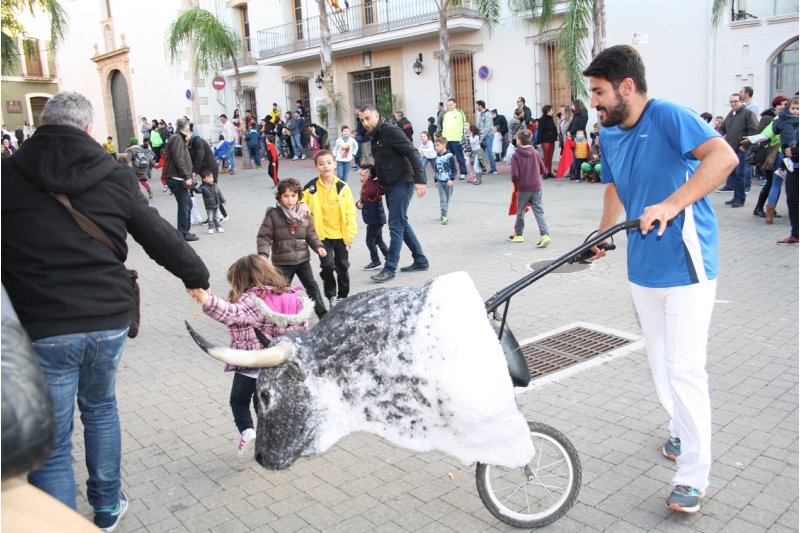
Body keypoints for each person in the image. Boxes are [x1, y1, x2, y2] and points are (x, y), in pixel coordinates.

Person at [1, 91, 210, 530]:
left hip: (43, 327)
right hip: (108, 320)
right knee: (100, 409)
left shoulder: (7, 175)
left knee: (53, 442)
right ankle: (108, 506)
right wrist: (196, 275)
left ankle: (58, 521)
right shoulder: (114, 175)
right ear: (90, 129)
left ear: (41, 124)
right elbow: (156, 233)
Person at [583, 44, 738, 514]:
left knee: (685, 367)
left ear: (627, 87)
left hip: (687, 265)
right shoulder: (609, 133)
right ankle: (680, 428)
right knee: (660, 362)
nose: (594, 102)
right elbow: (614, 184)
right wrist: (604, 232)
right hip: (642, 268)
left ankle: (693, 475)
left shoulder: (669, 115)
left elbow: (724, 157)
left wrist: (673, 203)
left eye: (599, 92)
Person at [192, 255, 311, 457]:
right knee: (263, 403)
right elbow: (303, 333)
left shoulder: (253, 300)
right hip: (278, 367)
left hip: (252, 362)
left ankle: (248, 432)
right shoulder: (294, 298)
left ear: (242, 278)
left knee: (238, 400)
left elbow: (231, 313)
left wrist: (206, 300)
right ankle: (275, 439)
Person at [358, 105, 429, 282]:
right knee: (402, 222)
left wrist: (420, 179)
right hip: (389, 185)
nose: (365, 122)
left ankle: (389, 268)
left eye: (368, 118)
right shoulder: (375, 135)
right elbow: (385, 161)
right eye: (362, 120)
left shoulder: (390, 131)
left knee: (395, 225)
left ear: (377, 115)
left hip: (403, 183)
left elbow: (411, 151)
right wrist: (371, 173)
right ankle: (420, 259)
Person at [257, 178, 328, 318]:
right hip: (282, 262)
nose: (290, 199)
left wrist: (318, 246)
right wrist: (263, 254)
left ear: (298, 196)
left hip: (302, 260)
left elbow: (311, 234)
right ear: (280, 197)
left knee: (312, 286)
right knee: (280, 290)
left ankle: (323, 315)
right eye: (286, 196)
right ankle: (278, 316)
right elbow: (263, 236)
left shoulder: (305, 213)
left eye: (293, 195)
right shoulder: (273, 214)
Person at [301, 150, 357, 307]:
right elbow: (299, 200)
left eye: (328, 163)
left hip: (340, 234)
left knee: (342, 266)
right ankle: (331, 295)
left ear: (335, 164)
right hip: (321, 236)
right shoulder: (311, 187)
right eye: (321, 163)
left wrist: (350, 235)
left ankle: (343, 297)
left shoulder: (342, 187)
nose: (325, 166)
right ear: (316, 167)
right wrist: (303, 204)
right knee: (327, 265)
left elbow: (350, 213)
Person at [508, 128, 550, 247]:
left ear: (519, 140)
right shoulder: (535, 152)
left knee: (520, 211)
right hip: (536, 185)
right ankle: (545, 234)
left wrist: (515, 182)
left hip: (523, 187)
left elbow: (515, 174)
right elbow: (542, 169)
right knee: (539, 210)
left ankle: (519, 234)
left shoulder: (516, 155)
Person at [718, 92, 758, 206]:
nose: (733, 103)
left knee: (740, 174)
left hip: (742, 149)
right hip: (731, 149)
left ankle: (740, 199)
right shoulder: (731, 114)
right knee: (734, 174)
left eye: (736, 101)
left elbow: (754, 129)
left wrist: (745, 145)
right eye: (731, 101)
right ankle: (735, 196)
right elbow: (723, 128)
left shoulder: (748, 113)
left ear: (741, 101)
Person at [165, 118, 199, 241]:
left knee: (187, 204)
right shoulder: (177, 139)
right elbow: (179, 159)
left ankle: (185, 231)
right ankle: (183, 233)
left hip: (178, 177)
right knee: (185, 205)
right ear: (185, 129)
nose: (190, 130)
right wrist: (186, 176)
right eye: (189, 128)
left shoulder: (179, 139)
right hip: (176, 178)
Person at [355, 164, 389, 271]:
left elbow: (371, 193)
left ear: (369, 175)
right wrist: (359, 203)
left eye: (362, 174)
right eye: (359, 174)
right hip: (374, 218)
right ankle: (390, 258)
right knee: (378, 240)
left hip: (375, 219)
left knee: (370, 241)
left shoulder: (372, 185)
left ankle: (375, 261)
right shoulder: (368, 184)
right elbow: (364, 200)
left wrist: (370, 178)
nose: (359, 177)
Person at [441, 98, 468, 179]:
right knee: (448, 158)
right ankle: (450, 173)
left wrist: (463, 137)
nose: (449, 106)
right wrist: (443, 138)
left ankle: (463, 173)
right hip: (447, 139)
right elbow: (444, 127)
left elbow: (465, 125)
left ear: (455, 104)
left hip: (457, 139)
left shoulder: (460, 113)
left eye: (451, 104)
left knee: (459, 157)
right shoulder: (446, 114)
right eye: (448, 105)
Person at [432, 137, 457, 224]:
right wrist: (435, 180)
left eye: (438, 145)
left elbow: (454, 169)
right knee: (443, 199)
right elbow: (436, 169)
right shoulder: (437, 156)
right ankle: (445, 216)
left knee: (447, 200)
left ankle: (443, 213)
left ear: (444, 145)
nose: (436, 147)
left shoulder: (450, 156)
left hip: (448, 182)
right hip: (440, 181)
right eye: (435, 146)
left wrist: (451, 179)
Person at [198, 170, 225, 235]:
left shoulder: (215, 185)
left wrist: (223, 200)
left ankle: (218, 227)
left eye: (211, 177)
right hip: (209, 205)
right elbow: (198, 190)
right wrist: (195, 186)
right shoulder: (203, 187)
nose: (211, 179)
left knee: (216, 217)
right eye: (208, 178)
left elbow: (219, 193)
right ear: (204, 179)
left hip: (216, 204)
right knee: (210, 218)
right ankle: (210, 228)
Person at [475, 100, 497, 174]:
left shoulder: (488, 114)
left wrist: (481, 137)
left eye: (477, 105)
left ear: (480, 106)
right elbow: (479, 125)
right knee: (482, 153)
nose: (476, 107)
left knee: (489, 152)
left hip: (489, 135)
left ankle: (494, 169)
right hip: (482, 136)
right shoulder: (481, 114)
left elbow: (487, 128)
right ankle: (483, 169)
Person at [537, 105, 558, 179]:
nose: (553, 111)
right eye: (551, 110)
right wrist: (539, 142)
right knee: (546, 157)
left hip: (551, 140)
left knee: (550, 157)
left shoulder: (551, 118)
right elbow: (540, 131)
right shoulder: (542, 120)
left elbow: (554, 128)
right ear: (547, 111)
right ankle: (544, 172)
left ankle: (549, 172)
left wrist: (555, 136)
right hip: (545, 140)